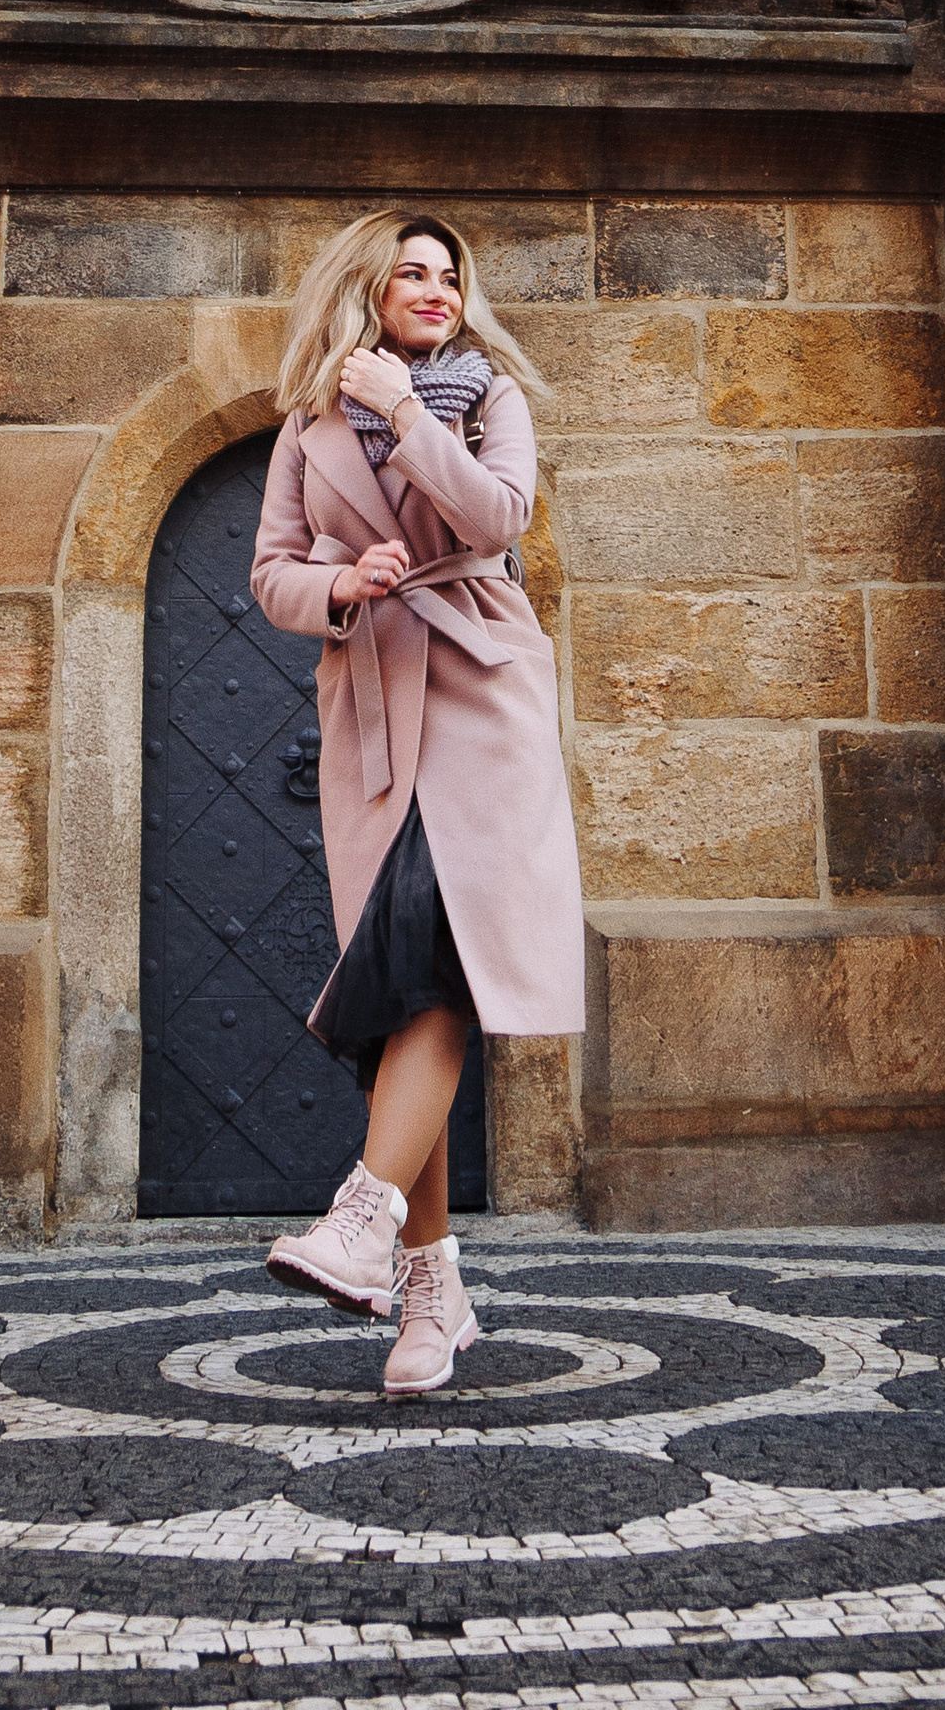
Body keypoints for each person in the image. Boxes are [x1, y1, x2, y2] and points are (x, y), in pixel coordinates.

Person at [252, 215, 584, 1393]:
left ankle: (361, 1217)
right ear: (368, 289)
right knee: (398, 988)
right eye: (413, 272)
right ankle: (431, 1293)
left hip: (481, 692)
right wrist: (341, 583)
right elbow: (271, 570)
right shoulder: (305, 424)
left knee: (436, 954)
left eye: (450, 275)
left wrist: (405, 413)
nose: (437, 289)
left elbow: (499, 518)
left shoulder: (488, 396)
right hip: (375, 705)